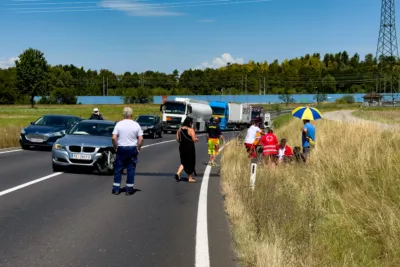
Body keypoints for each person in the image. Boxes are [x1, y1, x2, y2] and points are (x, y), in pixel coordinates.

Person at [111, 107, 143, 195]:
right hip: (132, 148)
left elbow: (114, 137)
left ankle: (116, 189)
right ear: (131, 115)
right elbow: (140, 138)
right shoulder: (136, 125)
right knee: (131, 169)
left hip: (121, 148)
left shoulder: (119, 124)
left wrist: (115, 147)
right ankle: (129, 189)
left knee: (118, 169)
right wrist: (138, 147)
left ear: (123, 115)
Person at [175, 117, 198, 183]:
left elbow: (177, 138)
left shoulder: (179, 129)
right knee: (191, 162)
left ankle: (178, 173)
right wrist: (196, 139)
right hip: (189, 147)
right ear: (190, 123)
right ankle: (190, 178)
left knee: (183, 161)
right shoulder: (191, 130)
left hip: (182, 147)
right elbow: (194, 139)